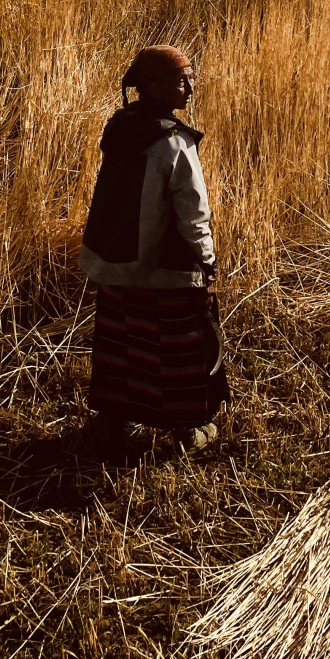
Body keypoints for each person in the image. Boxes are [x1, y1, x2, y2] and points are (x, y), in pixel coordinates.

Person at [79, 45, 228, 452]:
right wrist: (207, 263)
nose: (190, 89)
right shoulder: (175, 143)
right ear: (156, 86)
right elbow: (193, 213)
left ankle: (113, 422)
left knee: (121, 343)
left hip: (115, 262)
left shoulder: (120, 127)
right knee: (176, 347)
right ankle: (185, 431)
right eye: (183, 81)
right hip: (167, 270)